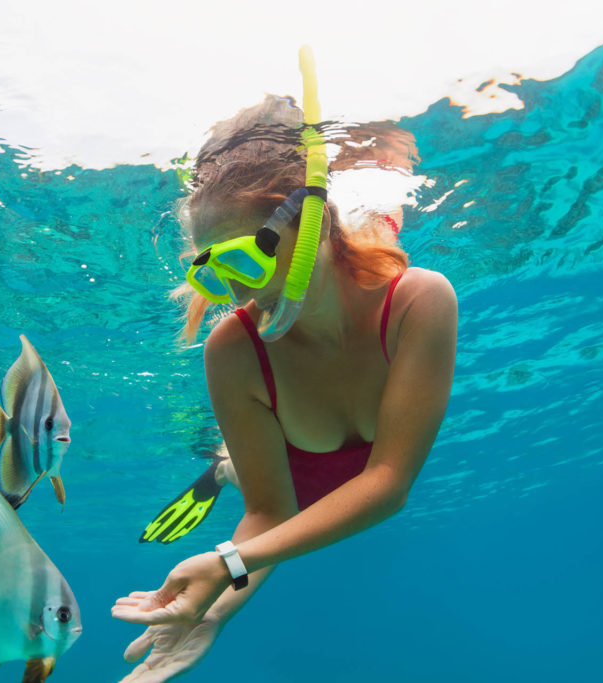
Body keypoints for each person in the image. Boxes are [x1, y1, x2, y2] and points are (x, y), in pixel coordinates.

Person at [112, 92, 457, 682]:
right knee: (239, 471)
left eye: (245, 263)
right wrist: (214, 614)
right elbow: (269, 511)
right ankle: (223, 465)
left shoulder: (418, 301)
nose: (240, 296)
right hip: (280, 476)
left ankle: (225, 463)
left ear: (311, 221)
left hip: (345, 461)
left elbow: (388, 484)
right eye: (213, 273)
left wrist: (226, 565)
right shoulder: (233, 350)